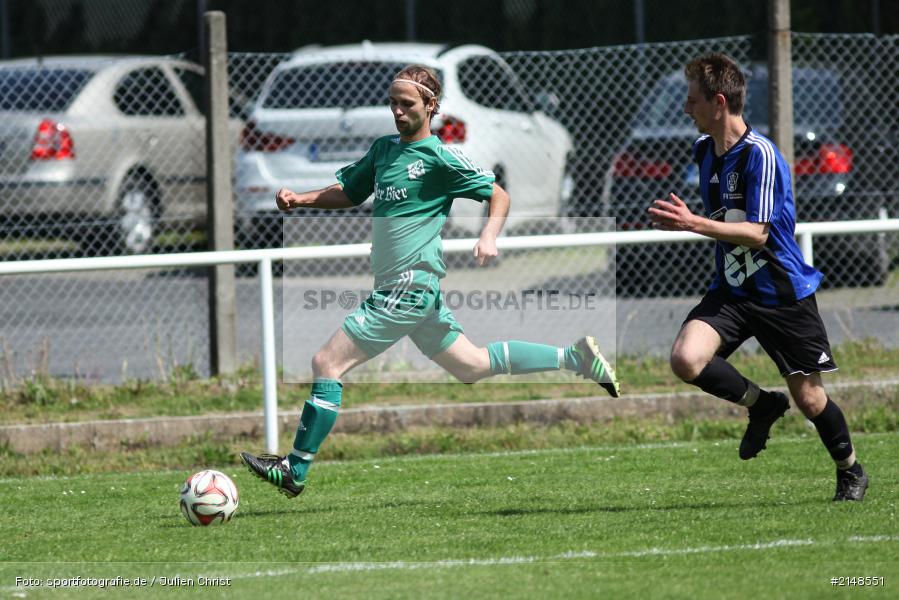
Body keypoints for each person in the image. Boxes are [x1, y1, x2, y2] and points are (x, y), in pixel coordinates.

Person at [240, 64, 619, 498]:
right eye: (393, 104)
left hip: (407, 287)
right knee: (472, 365)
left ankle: (296, 468)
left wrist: (489, 235)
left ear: (430, 106)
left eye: (407, 104)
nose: (398, 113)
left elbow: (499, 195)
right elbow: (349, 192)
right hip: (413, 292)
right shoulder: (384, 151)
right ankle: (575, 358)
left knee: (327, 364)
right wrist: (301, 199)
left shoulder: (441, 157)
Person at [647, 53, 867, 501]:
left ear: (719, 102)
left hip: (781, 294)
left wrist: (695, 224)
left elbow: (757, 232)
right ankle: (763, 405)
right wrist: (696, 223)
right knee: (686, 359)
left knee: (810, 399)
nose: (685, 109)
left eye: (692, 100)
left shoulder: (760, 156)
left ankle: (850, 469)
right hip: (732, 290)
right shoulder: (703, 151)